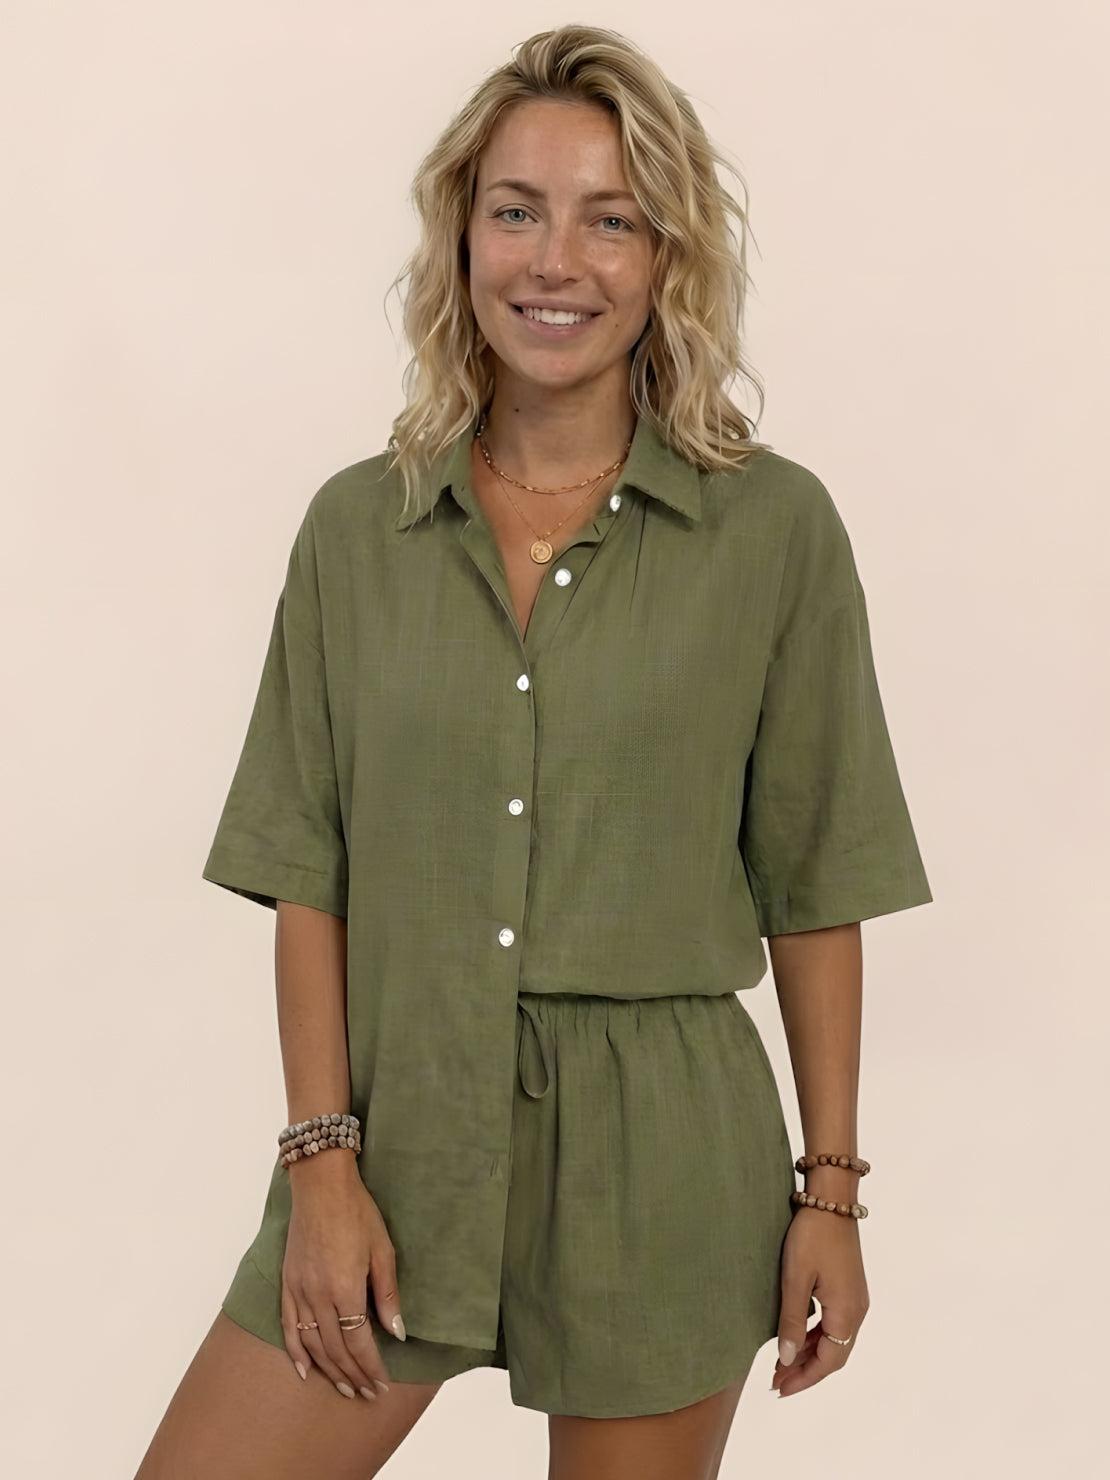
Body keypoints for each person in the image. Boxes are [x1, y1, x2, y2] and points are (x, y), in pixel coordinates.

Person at [136, 23, 932, 1480]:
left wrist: (829, 1194)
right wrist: (319, 1165)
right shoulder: (355, 533)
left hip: (661, 1154)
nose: (554, 261)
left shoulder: (772, 533)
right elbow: (304, 865)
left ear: (666, 256)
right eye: (517, 210)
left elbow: (818, 876)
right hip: (400, 1132)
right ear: (460, 238)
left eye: (608, 218)